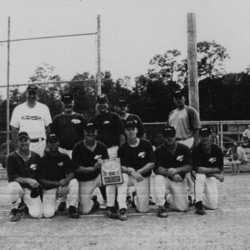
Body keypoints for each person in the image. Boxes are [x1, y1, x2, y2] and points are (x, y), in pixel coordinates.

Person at [106, 119, 155, 221]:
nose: (131, 132)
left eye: (133, 129)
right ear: (125, 131)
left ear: (137, 130)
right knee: (121, 178)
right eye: (128, 129)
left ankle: (135, 198)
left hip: (142, 177)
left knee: (143, 209)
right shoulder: (122, 147)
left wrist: (137, 172)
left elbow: (151, 163)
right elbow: (121, 166)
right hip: (128, 176)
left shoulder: (146, 144)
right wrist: (131, 171)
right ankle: (122, 208)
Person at [88, 94, 125, 208]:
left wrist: (122, 150)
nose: (102, 105)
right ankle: (106, 199)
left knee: (114, 176)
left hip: (113, 149)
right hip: (99, 152)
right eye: (100, 102)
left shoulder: (114, 117)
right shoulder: (92, 120)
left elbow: (121, 134)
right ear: (97, 104)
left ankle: (116, 201)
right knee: (102, 176)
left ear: (108, 104)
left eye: (104, 102)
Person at [168, 89, 201, 204]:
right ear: (174, 99)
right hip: (174, 143)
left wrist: (194, 145)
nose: (178, 99)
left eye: (180, 97)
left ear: (184, 98)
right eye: (176, 97)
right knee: (174, 168)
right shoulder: (171, 113)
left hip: (187, 140)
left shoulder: (190, 110)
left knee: (188, 169)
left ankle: (191, 195)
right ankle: (176, 196)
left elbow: (196, 128)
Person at [36, 134, 79, 219]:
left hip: (61, 187)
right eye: (51, 142)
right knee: (48, 214)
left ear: (58, 142)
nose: (53, 144)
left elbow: (71, 173)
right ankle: (58, 203)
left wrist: (66, 180)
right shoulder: (42, 160)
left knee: (74, 182)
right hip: (49, 189)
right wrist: (57, 182)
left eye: (55, 141)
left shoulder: (64, 156)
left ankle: (72, 208)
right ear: (47, 143)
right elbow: (41, 180)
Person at [153, 125, 192, 218]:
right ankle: (161, 206)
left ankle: (168, 198)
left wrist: (176, 170)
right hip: (166, 178)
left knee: (183, 208)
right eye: (166, 136)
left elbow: (189, 166)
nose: (169, 138)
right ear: (162, 137)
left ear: (175, 136)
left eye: (171, 135)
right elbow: (157, 169)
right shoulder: (158, 151)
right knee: (158, 178)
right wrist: (172, 174)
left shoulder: (184, 148)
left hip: (178, 179)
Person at [72, 122, 109, 214]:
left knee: (113, 179)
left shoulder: (102, 146)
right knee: (84, 211)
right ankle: (93, 201)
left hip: (99, 176)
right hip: (85, 179)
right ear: (84, 132)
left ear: (96, 132)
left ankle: (111, 202)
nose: (90, 134)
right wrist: (92, 168)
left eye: (93, 131)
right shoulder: (77, 147)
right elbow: (76, 168)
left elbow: (107, 165)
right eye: (88, 131)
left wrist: (105, 164)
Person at [6, 131, 42, 222]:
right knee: (12, 186)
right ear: (17, 142)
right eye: (21, 141)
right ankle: (14, 209)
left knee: (37, 214)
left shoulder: (36, 156)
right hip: (19, 188)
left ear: (29, 141)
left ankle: (25, 205)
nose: (23, 143)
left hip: (30, 189)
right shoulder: (11, 157)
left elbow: (40, 176)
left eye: (25, 140)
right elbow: (12, 177)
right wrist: (28, 180)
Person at [10, 85, 52, 157]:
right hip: (24, 145)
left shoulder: (44, 108)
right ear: (26, 93)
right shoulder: (18, 109)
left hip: (40, 145)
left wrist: (47, 145)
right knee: (25, 167)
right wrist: (17, 147)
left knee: (40, 167)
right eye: (30, 93)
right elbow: (14, 129)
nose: (32, 96)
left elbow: (48, 128)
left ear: (37, 94)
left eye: (34, 93)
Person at [192, 126, 224, 215]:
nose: (205, 138)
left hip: (210, 176)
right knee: (201, 177)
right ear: (199, 137)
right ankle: (198, 204)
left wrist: (210, 172)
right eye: (203, 135)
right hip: (198, 176)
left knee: (212, 206)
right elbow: (199, 169)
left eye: (207, 135)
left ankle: (201, 199)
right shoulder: (196, 149)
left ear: (211, 136)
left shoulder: (217, 149)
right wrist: (216, 175)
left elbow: (219, 168)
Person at [51, 93, 86, 159]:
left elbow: (85, 134)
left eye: (70, 102)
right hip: (62, 150)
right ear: (62, 104)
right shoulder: (57, 119)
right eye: (65, 103)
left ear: (73, 103)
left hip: (78, 150)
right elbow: (53, 136)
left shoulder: (80, 117)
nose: (68, 105)